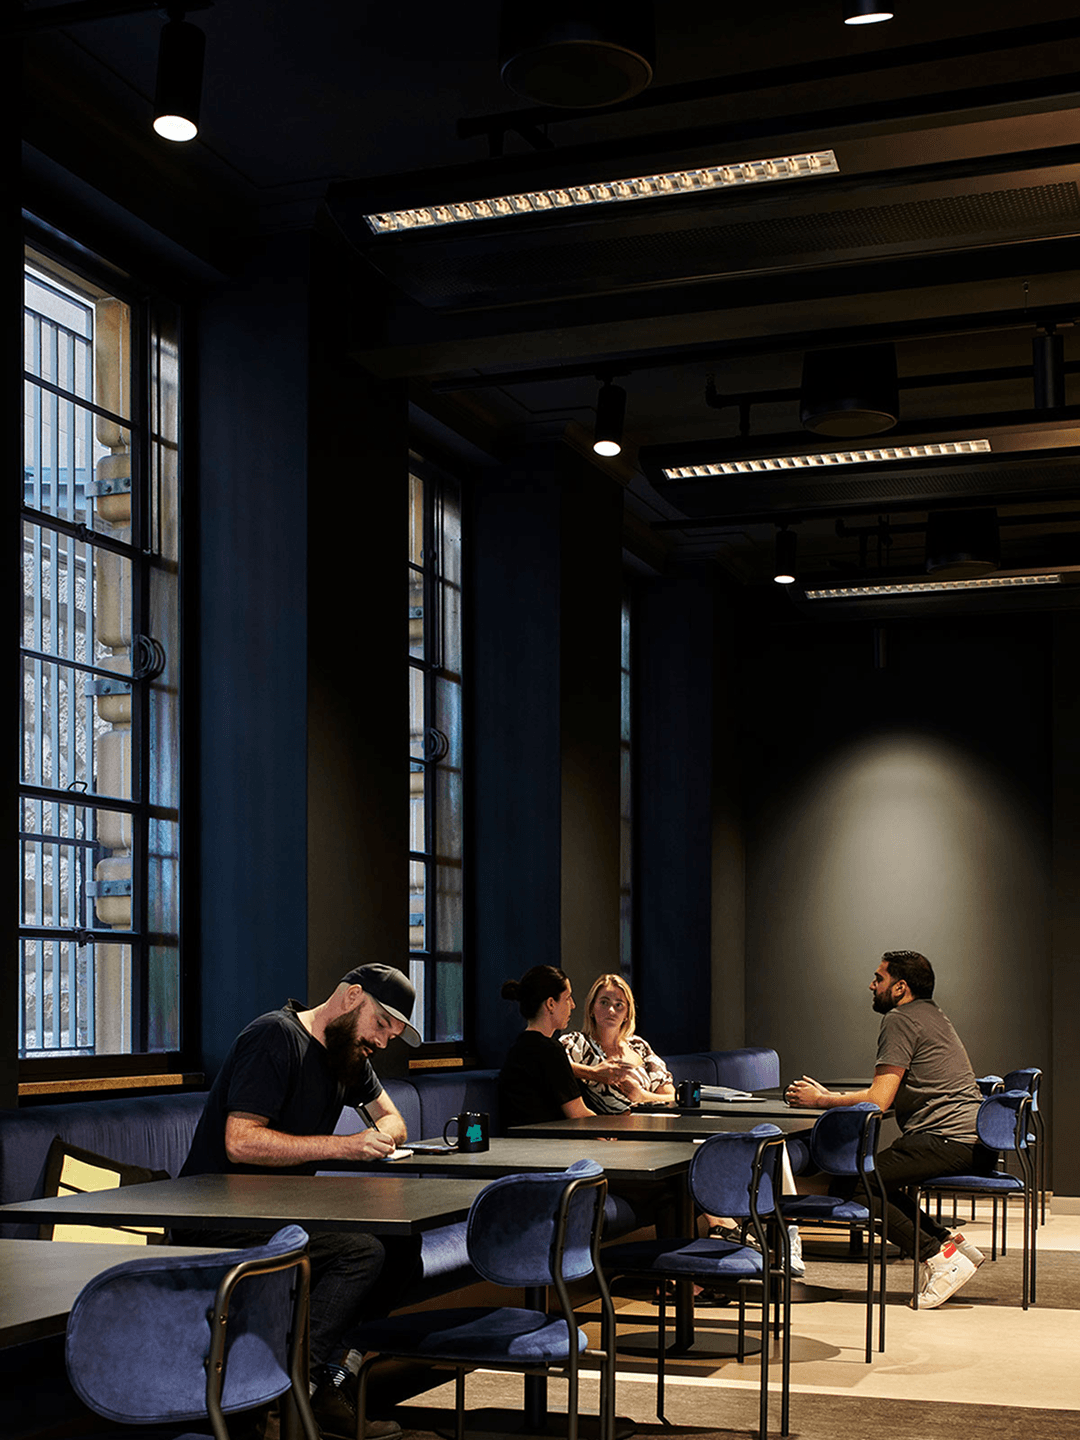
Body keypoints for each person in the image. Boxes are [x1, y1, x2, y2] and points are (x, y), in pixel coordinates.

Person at [178, 963, 421, 1438]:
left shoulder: (347, 1054)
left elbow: (393, 1119)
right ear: (352, 997)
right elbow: (240, 1141)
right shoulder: (275, 1037)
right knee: (360, 1252)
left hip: (284, 1211)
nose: (382, 1041)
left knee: (401, 1245)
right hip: (217, 1214)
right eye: (381, 1025)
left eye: (391, 1034)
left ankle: (331, 1383)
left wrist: (382, 1134)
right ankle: (284, 1398)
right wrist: (345, 1147)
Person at [786, 950, 989, 1309]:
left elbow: (878, 1101)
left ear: (900, 988)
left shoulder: (900, 1019)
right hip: (972, 1140)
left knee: (856, 1184)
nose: (871, 985)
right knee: (876, 1181)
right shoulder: (931, 1014)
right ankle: (949, 1243)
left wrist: (821, 1100)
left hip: (947, 1139)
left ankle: (939, 1257)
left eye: (879, 978)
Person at [559, 972, 675, 1113]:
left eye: (619, 1005)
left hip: (657, 1122)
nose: (611, 1010)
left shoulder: (639, 1046)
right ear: (591, 1008)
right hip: (612, 1124)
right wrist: (593, 1073)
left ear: (627, 1014)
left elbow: (673, 1097)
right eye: (604, 1002)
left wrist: (642, 1096)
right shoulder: (577, 1042)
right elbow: (552, 1064)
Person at [497, 966, 593, 1129]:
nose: (573, 1005)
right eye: (567, 998)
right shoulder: (550, 1050)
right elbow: (577, 1114)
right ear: (550, 1004)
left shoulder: (518, 1048)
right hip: (546, 1140)